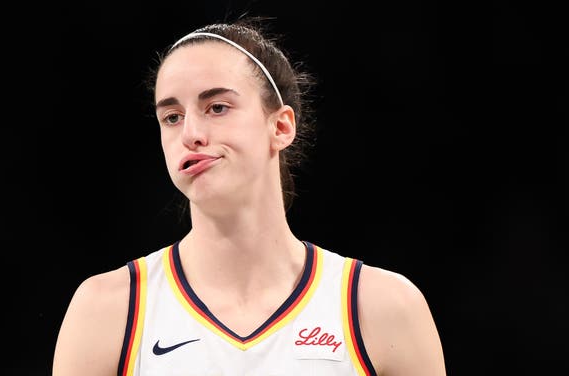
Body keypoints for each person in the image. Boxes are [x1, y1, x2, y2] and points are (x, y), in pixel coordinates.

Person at [52, 17, 446, 376]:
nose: (190, 133)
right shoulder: (108, 311)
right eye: (172, 117)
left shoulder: (381, 308)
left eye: (217, 107)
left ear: (281, 126)